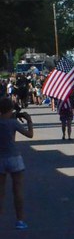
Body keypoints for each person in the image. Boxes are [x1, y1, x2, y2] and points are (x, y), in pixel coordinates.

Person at [0, 97, 34, 230]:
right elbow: (29, 135)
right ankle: (20, 220)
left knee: (1, 192)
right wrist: (29, 120)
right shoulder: (13, 123)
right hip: (14, 157)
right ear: (11, 109)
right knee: (17, 190)